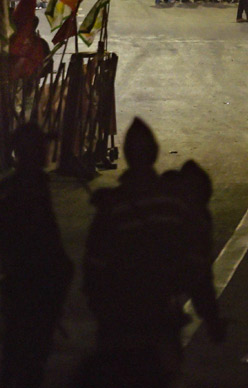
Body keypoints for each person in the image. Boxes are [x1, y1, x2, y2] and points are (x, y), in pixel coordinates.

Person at [80, 118, 225, 387]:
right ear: (156, 153)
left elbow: (94, 270)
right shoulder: (174, 204)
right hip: (160, 320)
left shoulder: (113, 208)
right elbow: (197, 268)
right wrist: (211, 316)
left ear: (127, 155)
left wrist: (104, 313)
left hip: (119, 324)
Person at [0, 122, 73, 388]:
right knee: (29, 357)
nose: (47, 151)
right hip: (32, 282)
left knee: (16, 351)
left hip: (21, 280)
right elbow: (39, 238)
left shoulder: (13, 185)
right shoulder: (28, 188)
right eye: (42, 146)